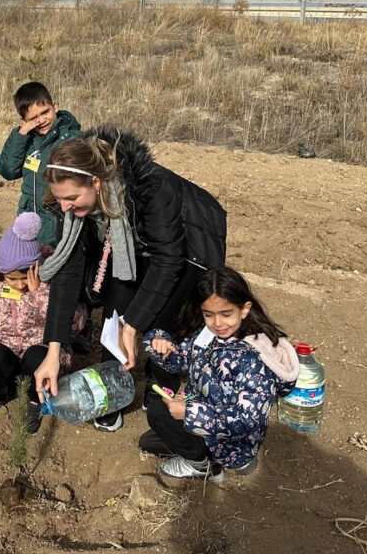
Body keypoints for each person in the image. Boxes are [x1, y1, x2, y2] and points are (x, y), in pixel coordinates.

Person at [33, 127, 226, 432]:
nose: (66, 207)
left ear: (96, 183)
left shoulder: (153, 189)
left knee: (164, 315)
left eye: (71, 198)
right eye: (61, 200)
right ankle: (113, 390)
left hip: (190, 239)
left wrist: (134, 324)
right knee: (115, 306)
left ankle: (162, 381)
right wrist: (53, 350)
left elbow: (169, 261)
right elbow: (68, 272)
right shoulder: (72, 207)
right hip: (125, 243)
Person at [141, 266, 299, 482]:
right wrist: (160, 345)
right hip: (203, 417)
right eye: (208, 314)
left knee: (157, 412)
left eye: (226, 314)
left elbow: (248, 420)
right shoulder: (208, 334)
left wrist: (190, 413)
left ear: (244, 309)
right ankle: (197, 450)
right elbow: (181, 361)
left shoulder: (254, 360)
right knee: (149, 440)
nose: (217, 323)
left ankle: (204, 468)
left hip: (231, 442)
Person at [0, 212, 86, 435]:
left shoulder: (52, 282)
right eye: (12, 279)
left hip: (40, 356)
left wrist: (39, 293)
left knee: (38, 355)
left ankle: (35, 400)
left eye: (25, 278)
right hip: (5, 357)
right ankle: (0, 394)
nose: (19, 286)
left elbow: (75, 324)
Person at [0, 82, 81, 248]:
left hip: (59, 223)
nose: (41, 120)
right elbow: (8, 171)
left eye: (45, 112)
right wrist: (20, 135)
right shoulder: (27, 140)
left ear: (55, 106)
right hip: (28, 220)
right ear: (24, 120)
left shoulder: (72, 139)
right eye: (33, 118)